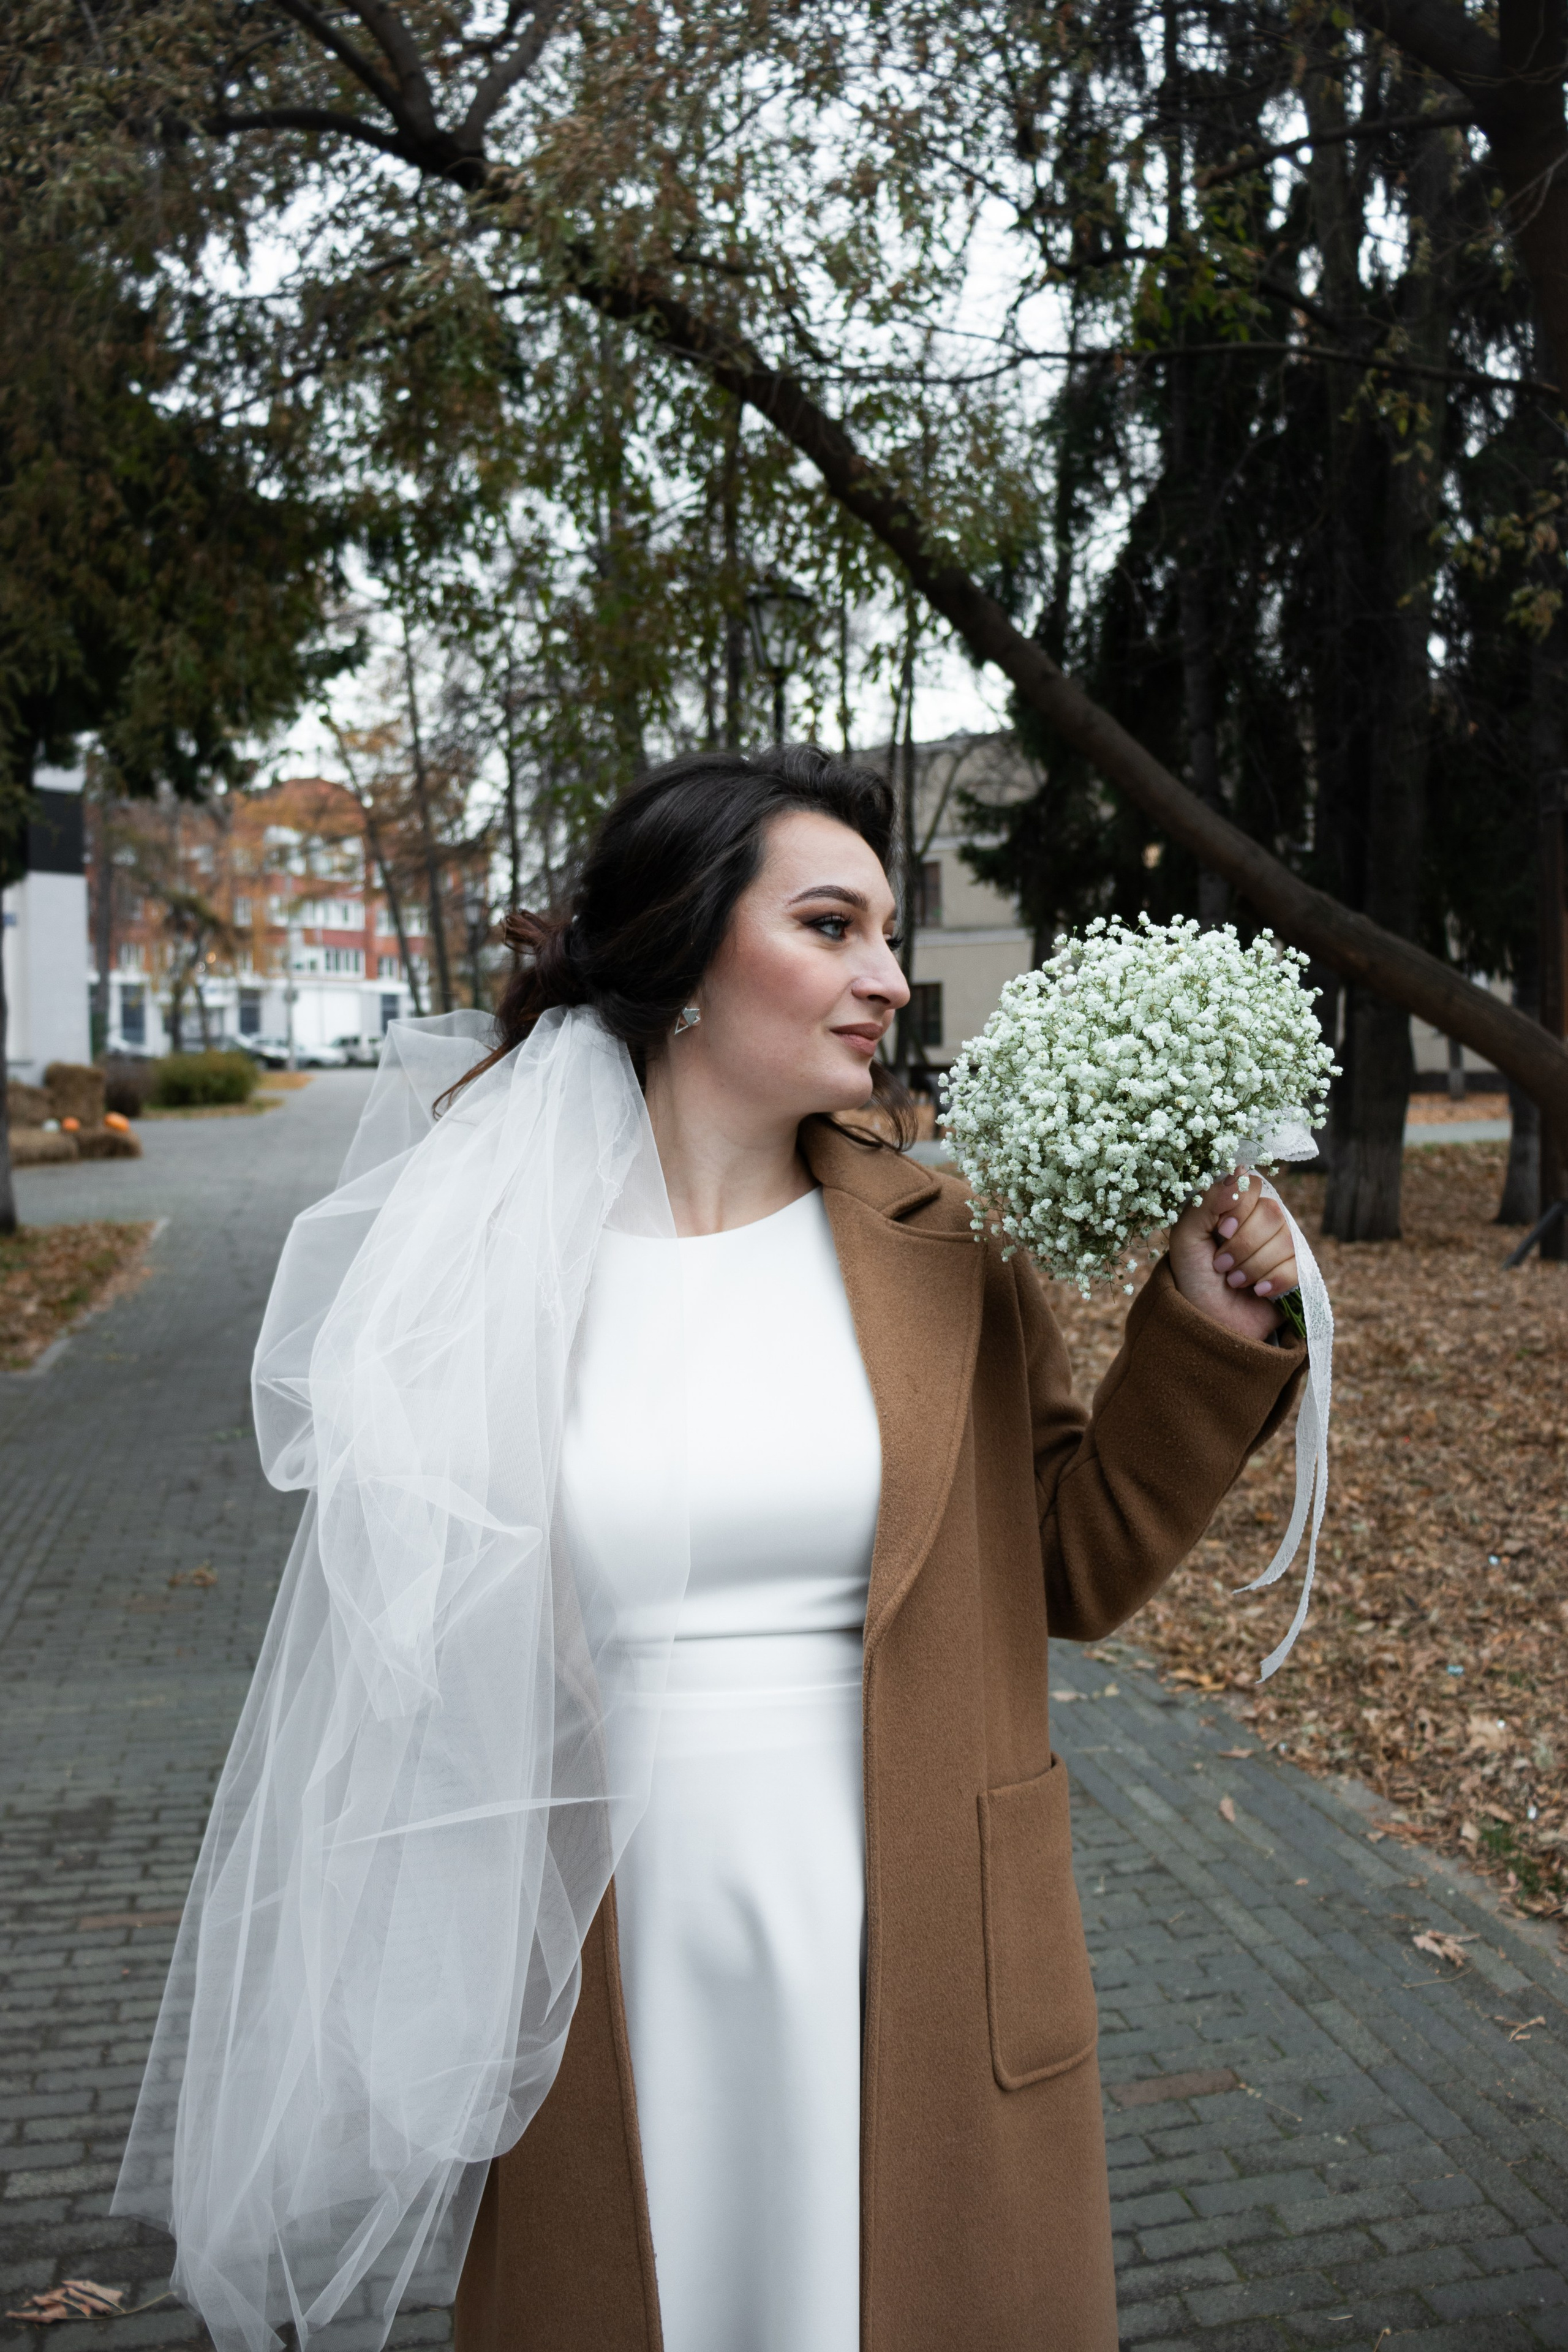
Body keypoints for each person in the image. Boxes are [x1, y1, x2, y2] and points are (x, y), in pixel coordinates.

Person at [115, 745, 1305, 2352]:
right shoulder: (489, 1275)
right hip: (612, 1952)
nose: (887, 976)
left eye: (888, 934)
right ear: (686, 949)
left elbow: (1073, 1564)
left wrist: (1210, 1329)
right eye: (832, 926)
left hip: (918, 1935)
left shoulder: (943, 1248)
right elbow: (404, 1662)